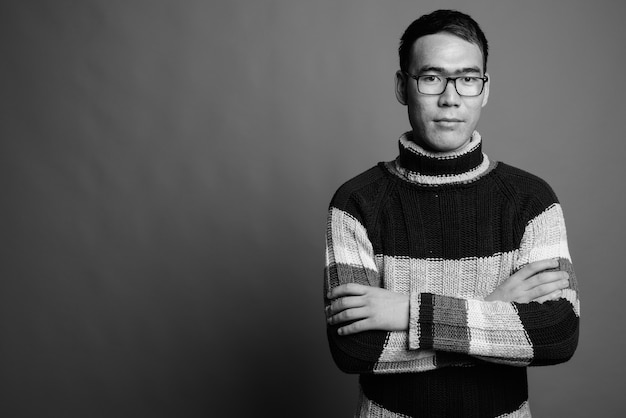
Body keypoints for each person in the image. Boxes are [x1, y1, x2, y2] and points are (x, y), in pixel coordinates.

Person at [323, 9, 579, 417]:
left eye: (467, 79)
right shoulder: (356, 203)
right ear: (402, 87)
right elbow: (354, 349)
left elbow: (556, 335)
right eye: (431, 78)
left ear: (485, 89)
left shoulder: (533, 201)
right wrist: (494, 307)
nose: (451, 97)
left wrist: (406, 311)